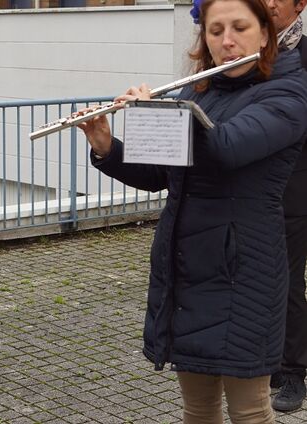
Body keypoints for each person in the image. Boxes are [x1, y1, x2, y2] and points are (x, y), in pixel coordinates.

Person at [77, 0, 307, 420]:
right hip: (187, 270)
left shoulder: (289, 92)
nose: (227, 41)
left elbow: (225, 149)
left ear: (264, 33)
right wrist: (107, 147)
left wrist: (158, 112)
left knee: (250, 409)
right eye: (215, 30)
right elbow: (164, 173)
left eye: (239, 27)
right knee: (197, 406)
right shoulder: (198, 90)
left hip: (245, 272)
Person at [265, 0, 307, 412]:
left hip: (295, 188)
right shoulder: (249, 55)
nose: (270, 2)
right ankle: (272, 363)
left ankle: (294, 372)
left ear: (300, 5)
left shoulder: (304, 56)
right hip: (253, 187)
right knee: (260, 278)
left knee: (291, 281)